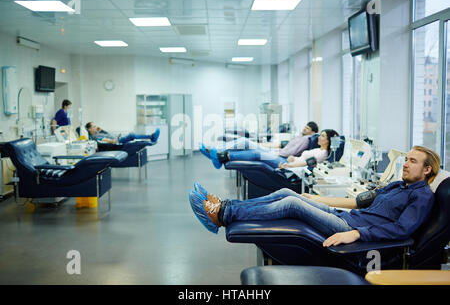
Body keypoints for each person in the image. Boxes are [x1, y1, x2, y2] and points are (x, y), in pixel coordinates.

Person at [188, 145, 439, 247]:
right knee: (290, 192)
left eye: (412, 161)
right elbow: (355, 202)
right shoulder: (398, 185)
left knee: (291, 204)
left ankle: (222, 214)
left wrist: (357, 233)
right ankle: (226, 206)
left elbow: (401, 230)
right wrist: (318, 200)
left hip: (350, 227)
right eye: (405, 159)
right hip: (347, 216)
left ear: (427, 169)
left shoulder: (422, 197)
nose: (405, 164)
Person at [200, 129, 339, 169]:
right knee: (247, 143)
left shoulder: (322, 153)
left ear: (329, 140)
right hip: (286, 160)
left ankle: (219, 154)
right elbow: (302, 159)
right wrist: (293, 158)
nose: (319, 138)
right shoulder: (317, 149)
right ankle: (219, 154)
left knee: (255, 153)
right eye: (320, 135)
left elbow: (306, 163)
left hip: (287, 165)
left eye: (323, 136)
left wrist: (290, 164)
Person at [85, 122, 160, 144]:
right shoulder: (94, 137)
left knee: (132, 136)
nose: (96, 127)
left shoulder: (97, 133)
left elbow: (107, 134)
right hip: (117, 142)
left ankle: (151, 137)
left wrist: (101, 130)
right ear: (89, 129)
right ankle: (151, 137)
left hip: (117, 139)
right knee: (131, 135)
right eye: (94, 126)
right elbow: (104, 140)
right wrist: (114, 141)